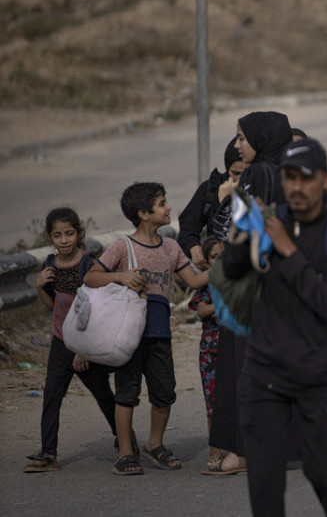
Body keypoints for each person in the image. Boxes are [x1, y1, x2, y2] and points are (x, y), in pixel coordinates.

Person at [222, 137, 327, 516]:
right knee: (266, 488)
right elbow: (232, 271)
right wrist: (244, 224)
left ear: (322, 179)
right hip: (262, 376)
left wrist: (287, 251)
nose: (297, 187)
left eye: (305, 178)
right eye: (289, 178)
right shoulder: (272, 221)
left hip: (318, 377)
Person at [84, 182, 208, 476]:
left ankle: (155, 443)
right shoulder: (123, 247)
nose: (169, 208)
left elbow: (193, 280)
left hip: (159, 333)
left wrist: (227, 267)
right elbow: (90, 277)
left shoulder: (171, 247)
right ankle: (126, 453)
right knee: (127, 393)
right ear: (143, 213)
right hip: (127, 335)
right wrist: (122, 276)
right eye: (162, 203)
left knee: (164, 392)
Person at [206, 109, 294, 477]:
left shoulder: (258, 174)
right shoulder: (291, 173)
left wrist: (227, 199)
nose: (237, 145)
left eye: (242, 137)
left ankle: (246, 452)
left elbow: (235, 233)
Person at [24, 208, 118, 473]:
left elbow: (98, 309)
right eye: (57, 235)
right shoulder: (50, 265)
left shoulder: (89, 265)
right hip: (60, 342)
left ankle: (124, 441)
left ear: (78, 233)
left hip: (86, 344)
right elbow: (52, 307)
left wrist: (83, 348)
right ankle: (48, 454)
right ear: (50, 237)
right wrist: (40, 286)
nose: (64, 240)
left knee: (102, 394)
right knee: (51, 395)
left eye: (69, 233)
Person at [178, 139, 249, 269]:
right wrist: (193, 247)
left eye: (248, 174)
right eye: (235, 173)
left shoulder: (261, 188)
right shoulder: (212, 188)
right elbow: (188, 224)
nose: (240, 180)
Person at [188, 237, 224, 472]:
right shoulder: (207, 284)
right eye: (214, 257)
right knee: (213, 403)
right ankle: (215, 453)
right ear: (206, 261)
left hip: (237, 349)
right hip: (211, 351)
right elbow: (202, 311)